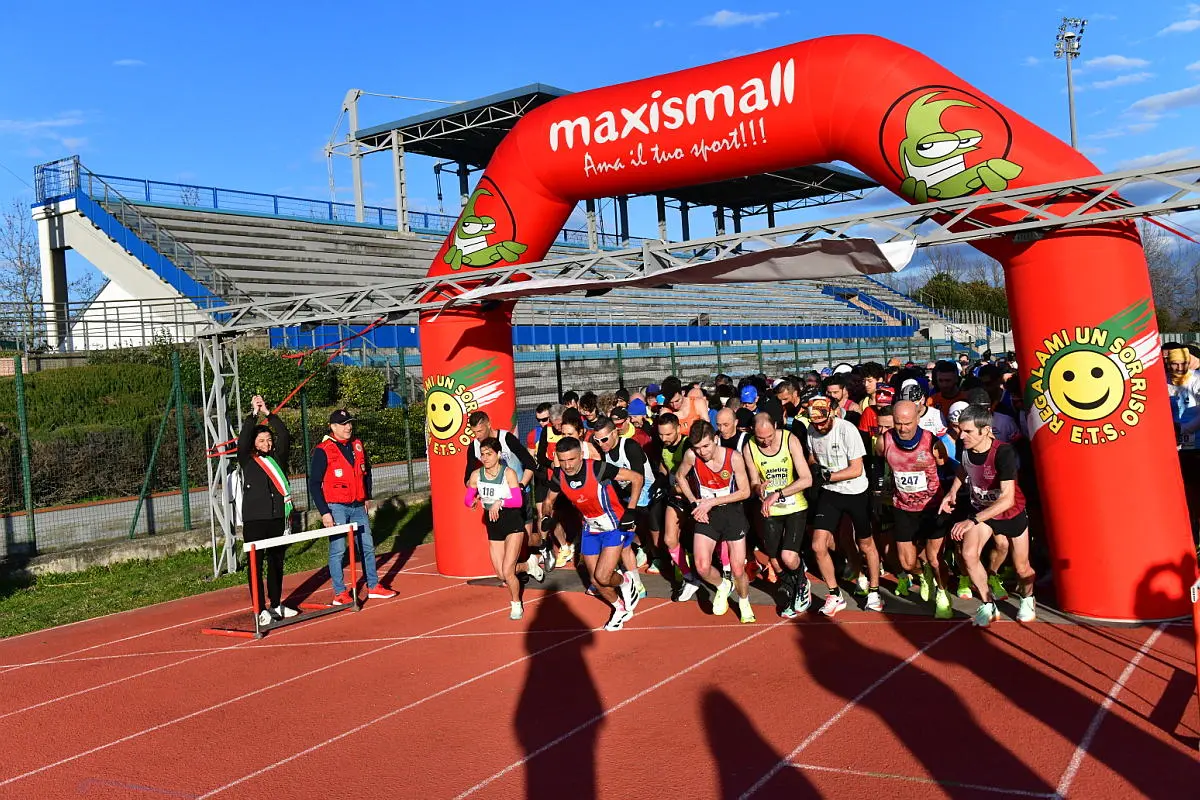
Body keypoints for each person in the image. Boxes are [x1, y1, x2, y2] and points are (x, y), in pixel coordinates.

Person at [939, 405, 1036, 627]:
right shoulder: (964, 448)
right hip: (982, 511)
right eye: (960, 430)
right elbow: (964, 469)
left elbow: (1007, 499)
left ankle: (1028, 598)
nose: (961, 436)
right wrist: (952, 492)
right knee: (968, 554)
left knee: (1022, 568)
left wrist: (972, 520)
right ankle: (987, 603)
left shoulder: (1004, 453)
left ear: (985, 430)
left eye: (968, 431)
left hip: (1010, 512)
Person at [540, 437, 644, 631]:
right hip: (590, 527)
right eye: (562, 460)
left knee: (603, 577)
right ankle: (619, 608)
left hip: (614, 525)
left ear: (580, 455)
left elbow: (637, 478)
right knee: (595, 580)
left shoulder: (597, 468)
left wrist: (631, 510)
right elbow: (548, 501)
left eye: (571, 459)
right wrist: (546, 515)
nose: (567, 465)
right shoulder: (558, 475)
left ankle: (626, 581)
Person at [309, 409, 396, 606]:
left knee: (366, 546)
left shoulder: (357, 445)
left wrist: (367, 496)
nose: (348, 427)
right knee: (338, 550)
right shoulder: (323, 450)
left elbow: (367, 472)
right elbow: (314, 483)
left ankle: (373, 586)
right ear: (333, 427)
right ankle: (340, 592)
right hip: (337, 507)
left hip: (358, 506)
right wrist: (325, 512)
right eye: (343, 423)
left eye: (350, 423)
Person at [673, 421, 757, 623]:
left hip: (732, 511)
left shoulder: (733, 458)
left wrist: (712, 502)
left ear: (715, 439)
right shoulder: (692, 456)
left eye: (706, 446)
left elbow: (745, 492)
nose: (701, 452)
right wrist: (694, 503)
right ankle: (722, 585)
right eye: (697, 447)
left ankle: (744, 602)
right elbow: (680, 476)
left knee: (738, 569)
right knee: (701, 566)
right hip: (705, 512)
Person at [877, 400, 953, 619]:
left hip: (931, 507)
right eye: (898, 423)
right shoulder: (885, 441)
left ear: (918, 419)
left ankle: (942, 593)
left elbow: (946, 467)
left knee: (934, 557)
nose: (903, 428)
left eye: (908, 423)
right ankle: (923, 574)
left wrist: (951, 496)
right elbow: (880, 465)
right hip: (903, 507)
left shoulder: (932, 442)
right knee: (907, 563)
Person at [807, 396, 882, 615]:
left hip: (855, 491)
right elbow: (812, 456)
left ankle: (875, 591)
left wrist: (827, 476)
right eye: (815, 423)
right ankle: (834, 594)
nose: (819, 426)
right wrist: (815, 468)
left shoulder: (847, 429)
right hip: (830, 494)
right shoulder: (812, 431)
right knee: (817, 545)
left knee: (865, 543)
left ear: (831, 414)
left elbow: (856, 469)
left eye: (822, 421)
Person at [466, 436, 545, 619]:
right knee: (501, 573)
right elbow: (467, 499)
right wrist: (473, 500)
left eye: (489, 454)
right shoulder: (476, 475)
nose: (485, 458)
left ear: (498, 454)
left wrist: (499, 502)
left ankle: (516, 603)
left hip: (512, 523)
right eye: (483, 454)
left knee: (508, 571)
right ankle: (529, 564)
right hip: (494, 526)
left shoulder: (508, 473)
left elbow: (517, 500)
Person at [744, 410, 813, 617]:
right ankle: (793, 590)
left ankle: (802, 585)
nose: (765, 442)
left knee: (789, 557)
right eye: (760, 438)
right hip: (770, 508)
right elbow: (753, 482)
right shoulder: (749, 447)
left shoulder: (790, 440)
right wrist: (759, 489)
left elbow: (806, 479)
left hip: (794, 505)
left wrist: (778, 493)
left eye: (769, 437)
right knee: (773, 559)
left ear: (775, 426)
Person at [237, 394, 298, 626]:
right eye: (262, 440)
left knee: (276, 562)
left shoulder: (277, 459)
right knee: (256, 564)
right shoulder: (247, 459)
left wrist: (268, 413)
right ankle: (259, 608)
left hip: (276, 518)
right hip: (255, 520)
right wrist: (253, 415)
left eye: (268, 440)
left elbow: (284, 434)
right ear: (255, 443)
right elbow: (242, 440)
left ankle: (276, 604)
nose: (267, 444)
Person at [463, 411, 541, 565]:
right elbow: (467, 478)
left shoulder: (506, 439)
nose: (477, 436)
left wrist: (520, 486)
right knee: (508, 546)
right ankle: (516, 572)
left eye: (480, 431)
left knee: (524, 542)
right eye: (474, 432)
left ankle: (543, 546)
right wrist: (475, 492)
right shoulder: (474, 446)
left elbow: (530, 464)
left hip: (518, 495)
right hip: (495, 501)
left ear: (489, 424)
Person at [592, 415, 652, 597]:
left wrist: (631, 510)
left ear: (615, 432)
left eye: (604, 439)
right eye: (597, 440)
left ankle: (653, 554)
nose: (601, 443)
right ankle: (635, 583)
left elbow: (638, 479)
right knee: (622, 540)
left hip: (646, 494)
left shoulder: (630, 447)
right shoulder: (602, 451)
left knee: (653, 536)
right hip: (625, 497)